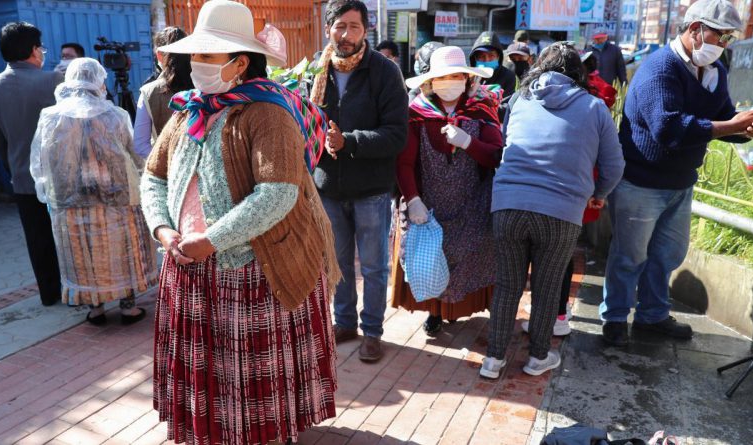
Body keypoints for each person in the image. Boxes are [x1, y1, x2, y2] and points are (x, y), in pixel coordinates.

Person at [140, 2, 340, 444]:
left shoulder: (266, 114)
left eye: (208, 57)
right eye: (195, 56)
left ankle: (265, 433)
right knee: (209, 369)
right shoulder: (188, 112)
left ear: (240, 63)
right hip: (187, 263)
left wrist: (211, 239)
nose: (196, 66)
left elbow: (278, 194)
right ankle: (214, 431)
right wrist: (162, 228)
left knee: (249, 370)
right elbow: (153, 176)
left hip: (250, 268)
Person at [600, 0, 753, 347]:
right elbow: (668, 128)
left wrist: (746, 127)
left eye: (728, 39)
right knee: (629, 256)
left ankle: (652, 315)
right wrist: (729, 126)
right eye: (720, 36)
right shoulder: (659, 68)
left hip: (679, 183)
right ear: (696, 30)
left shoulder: (715, 71)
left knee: (667, 255)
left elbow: (720, 117)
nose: (723, 45)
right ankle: (615, 318)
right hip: (641, 182)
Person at [481, 42, 625, 378]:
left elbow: (505, 145)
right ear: (579, 73)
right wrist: (598, 193)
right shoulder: (594, 107)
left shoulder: (518, 100)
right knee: (546, 287)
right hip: (561, 211)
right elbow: (614, 165)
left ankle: (493, 360)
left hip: (509, 205)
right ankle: (538, 358)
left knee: (507, 285)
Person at [308, 0, 408, 362]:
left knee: (374, 266)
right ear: (329, 28)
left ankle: (373, 331)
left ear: (366, 30)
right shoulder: (315, 72)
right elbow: (306, 124)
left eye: (353, 26)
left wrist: (348, 142)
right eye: (339, 26)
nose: (346, 34)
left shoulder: (384, 71)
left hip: (371, 189)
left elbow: (397, 135)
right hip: (328, 187)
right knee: (336, 262)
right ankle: (345, 322)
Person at [30, 58, 156, 324]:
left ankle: (95, 308)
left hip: (70, 201)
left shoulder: (51, 116)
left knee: (84, 253)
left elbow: (42, 161)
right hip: (117, 197)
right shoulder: (115, 115)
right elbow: (134, 154)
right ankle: (127, 307)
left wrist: (48, 192)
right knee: (122, 251)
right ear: (99, 80)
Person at [392, 46, 501, 336]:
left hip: (473, 201)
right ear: (430, 80)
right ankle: (435, 312)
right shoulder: (416, 113)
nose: (449, 82)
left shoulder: (481, 110)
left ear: (467, 79)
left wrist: (469, 142)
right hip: (429, 202)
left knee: (471, 256)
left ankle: (465, 310)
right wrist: (412, 199)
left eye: (456, 76)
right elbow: (403, 163)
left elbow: (496, 156)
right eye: (443, 76)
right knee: (431, 258)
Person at [0, 22, 63, 306]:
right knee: (64, 237)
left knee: (36, 237)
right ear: (33, 50)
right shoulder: (52, 80)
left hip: (21, 176)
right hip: (58, 176)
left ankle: (48, 293)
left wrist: (13, 168)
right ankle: (73, 289)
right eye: (40, 47)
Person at [133, 27, 193, 158]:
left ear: (159, 54)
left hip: (167, 172)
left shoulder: (149, 92)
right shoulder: (205, 85)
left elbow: (141, 145)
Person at [469, 31, 516, 101]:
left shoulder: (509, 76)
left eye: (491, 56)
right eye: (481, 56)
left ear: (498, 57)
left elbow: (508, 105)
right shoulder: (468, 76)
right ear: (475, 58)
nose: (486, 60)